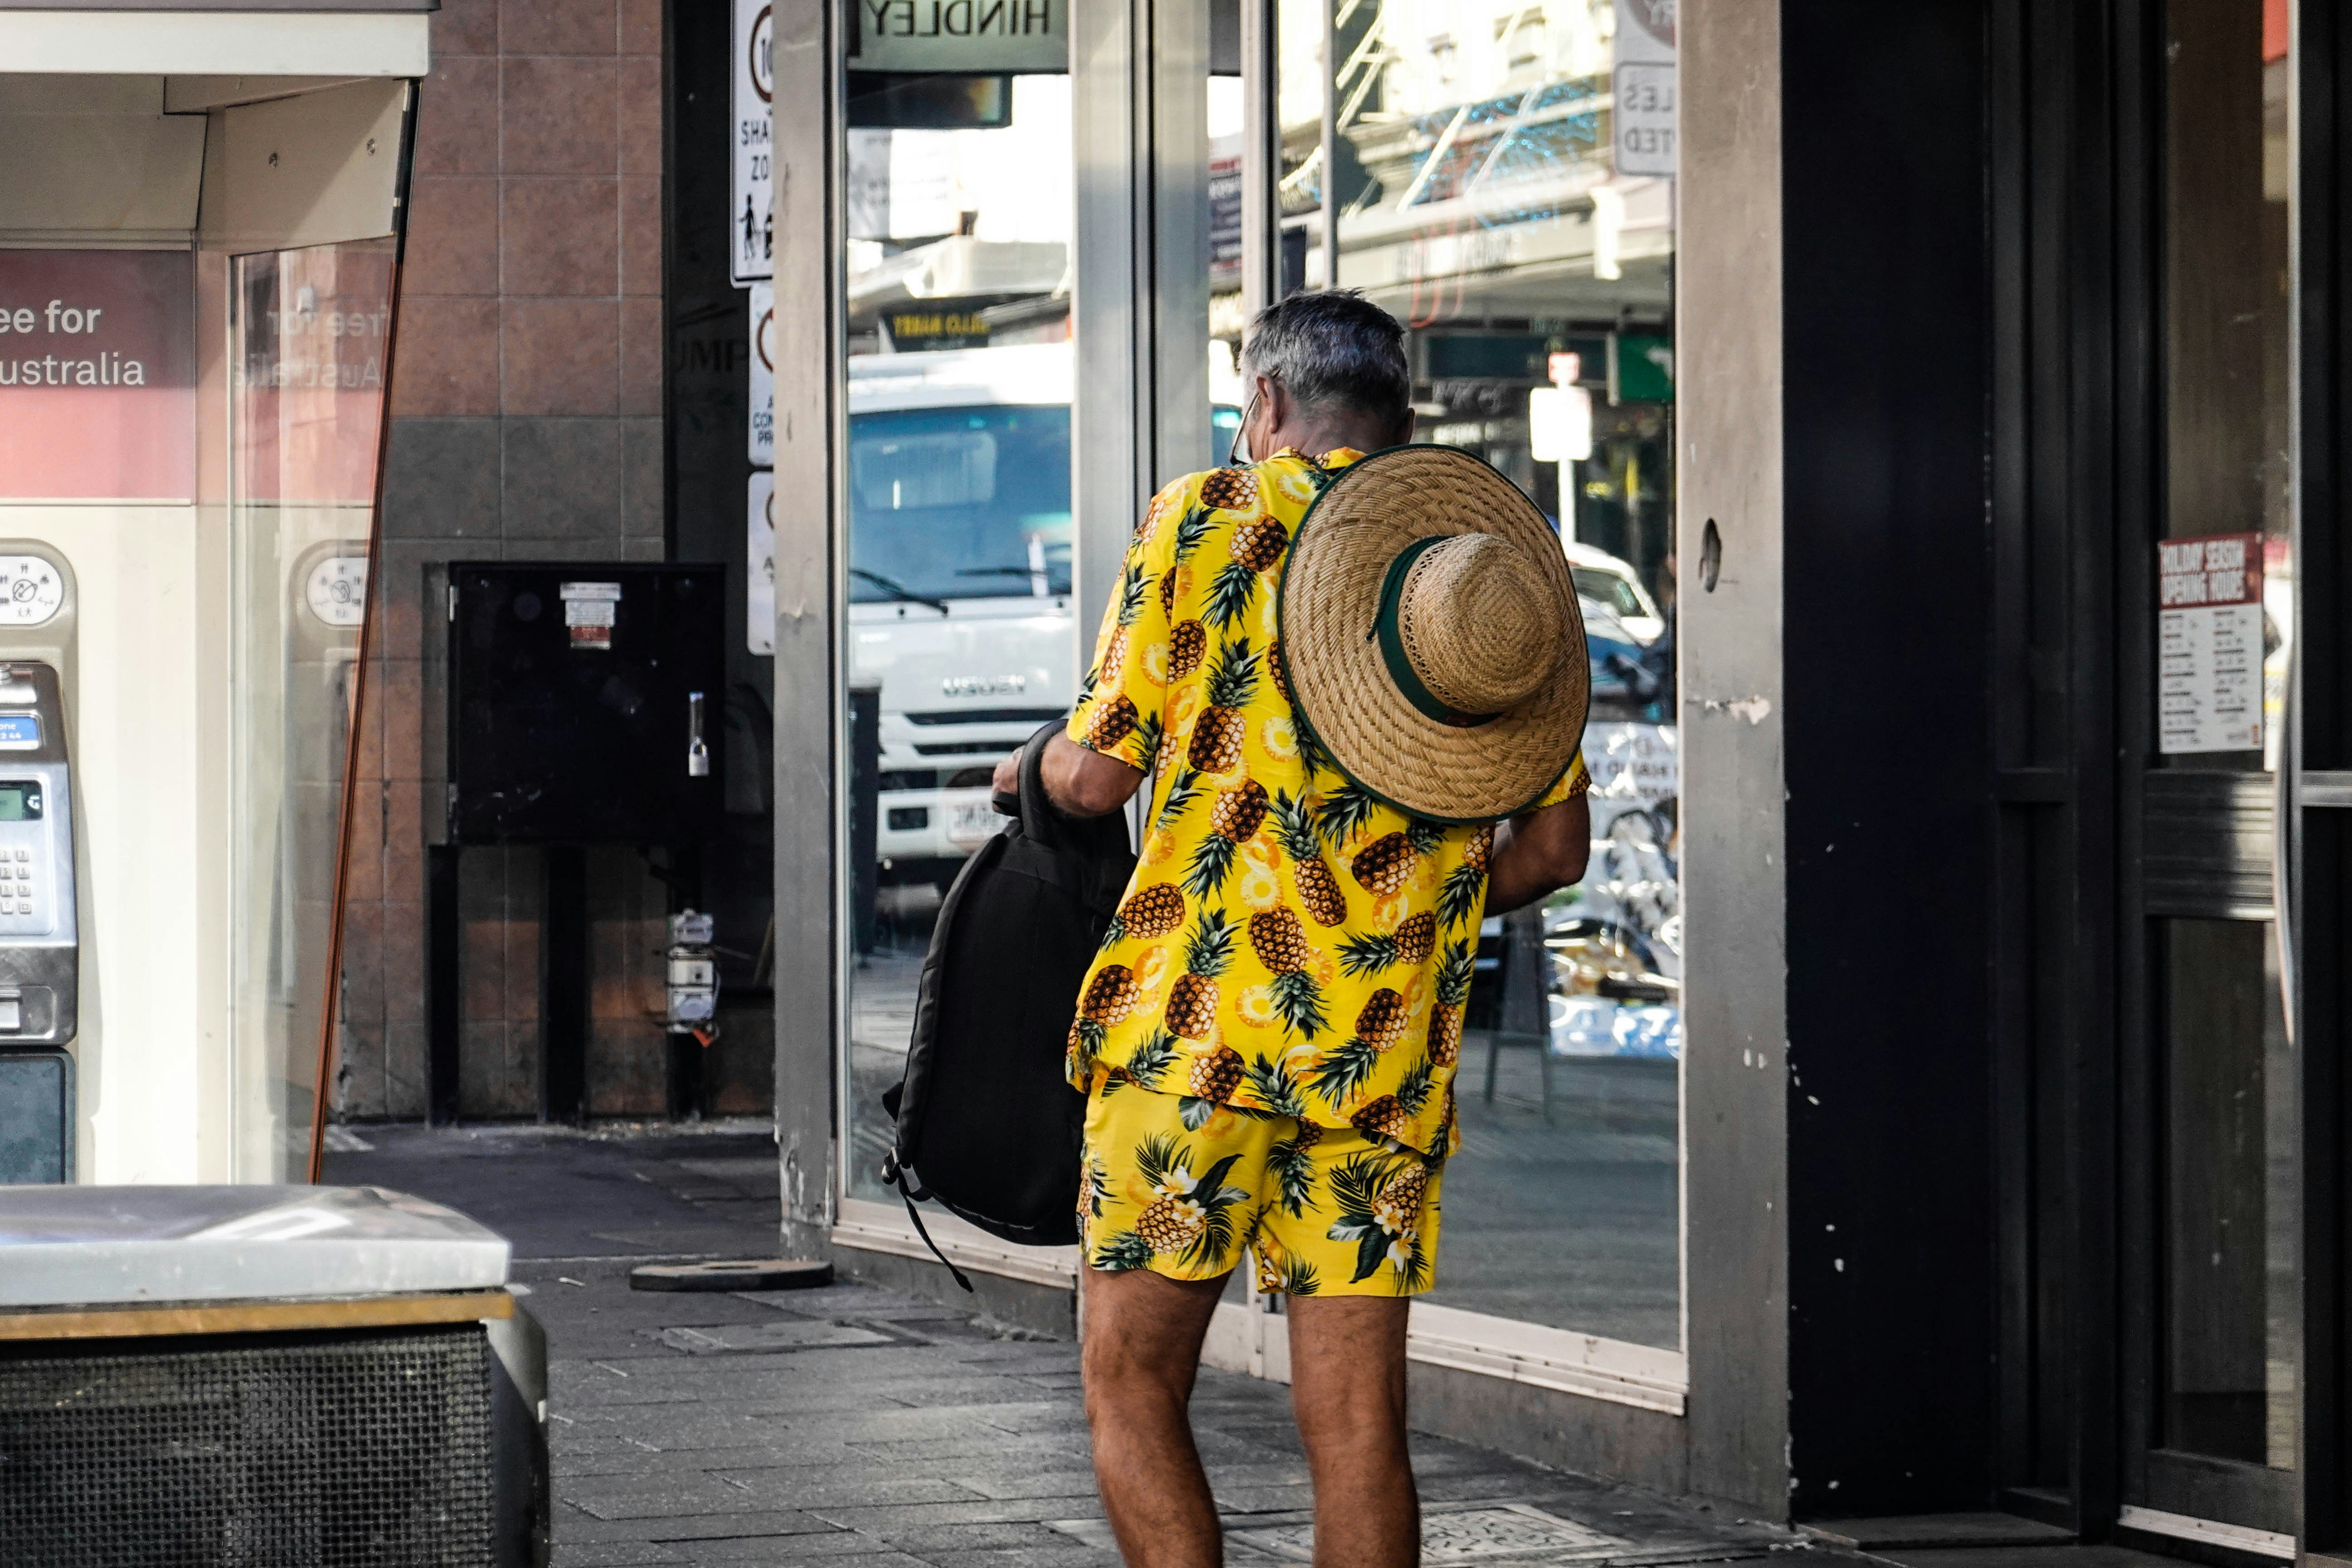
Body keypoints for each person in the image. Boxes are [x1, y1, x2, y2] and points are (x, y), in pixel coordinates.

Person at [991, 290, 1594, 1568]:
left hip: (1190, 1043)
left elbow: (1095, 780)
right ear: (1404, 418)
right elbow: (1551, 849)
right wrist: (1400, 911)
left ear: (1262, 406)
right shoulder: (1478, 575)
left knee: (1132, 1376)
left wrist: (1028, 767)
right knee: (1360, 1421)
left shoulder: (1208, 519)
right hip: (1379, 1061)